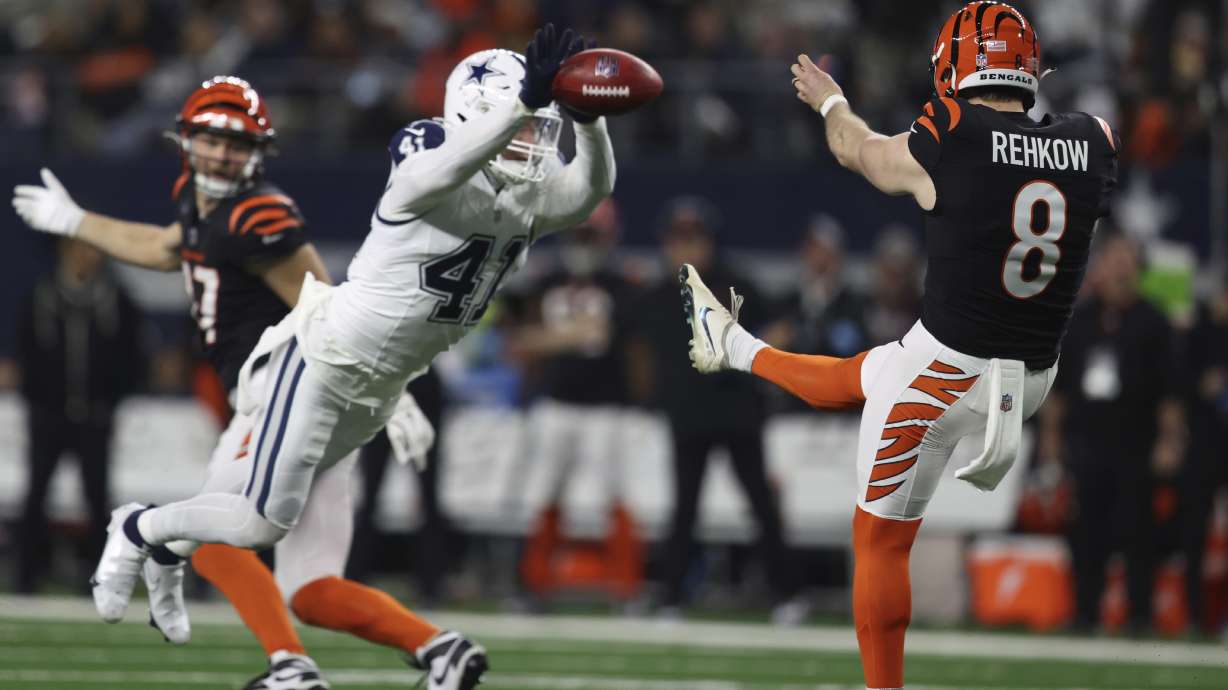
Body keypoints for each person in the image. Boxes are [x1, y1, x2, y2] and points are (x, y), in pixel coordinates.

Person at [81, 23, 613, 690]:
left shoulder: (527, 194)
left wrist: (588, 121)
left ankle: (379, 652)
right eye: (521, 124)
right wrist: (520, 105)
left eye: (537, 128)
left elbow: (590, 192)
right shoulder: (425, 153)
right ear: (474, 116)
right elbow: (446, 169)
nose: (530, 140)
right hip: (323, 362)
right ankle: (141, 526)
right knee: (256, 522)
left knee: (301, 571)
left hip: (381, 387)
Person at [677, 3, 1118, 688]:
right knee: (876, 371)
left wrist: (833, 104)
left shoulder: (955, 130)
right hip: (1033, 375)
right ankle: (733, 344)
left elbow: (858, 152)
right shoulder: (1092, 139)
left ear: (955, 67)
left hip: (950, 372)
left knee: (880, 541)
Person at [12, 76, 432, 690]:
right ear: (186, 140)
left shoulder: (259, 215)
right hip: (293, 395)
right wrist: (76, 220)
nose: (220, 155)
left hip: (282, 391)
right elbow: (163, 247)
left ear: (258, 153)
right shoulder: (200, 201)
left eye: (235, 145)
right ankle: (433, 648)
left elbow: (325, 303)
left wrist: (389, 389)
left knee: (219, 531)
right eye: (210, 140)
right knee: (301, 579)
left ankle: (149, 539)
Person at [628, 197, 804, 622]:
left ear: (709, 241)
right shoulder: (658, 293)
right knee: (685, 507)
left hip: (737, 412)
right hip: (688, 415)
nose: (686, 246)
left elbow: (784, 326)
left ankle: (786, 593)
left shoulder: (734, 284)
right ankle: (672, 596)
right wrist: (652, 396)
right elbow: (637, 348)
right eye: (679, 238)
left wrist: (757, 355)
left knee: (760, 504)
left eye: (694, 238)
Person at [1045, 233, 1183, 634]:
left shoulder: (1153, 320)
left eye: (1127, 259)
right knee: (1085, 531)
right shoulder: (1078, 317)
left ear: (1138, 268)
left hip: (1136, 440)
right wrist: (1052, 439)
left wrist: (1169, 440)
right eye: (1113, 258)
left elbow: (1170, 390)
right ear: (1100, 265)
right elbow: (1059, 387)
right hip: (1087, 440)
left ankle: (1140, 616)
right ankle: (1085, 613)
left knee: (1138, 530)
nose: (1119, 266)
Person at [15, 238, 145, 594]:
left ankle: (98, 577)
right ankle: (27, 576)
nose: (88, 257)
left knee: (97, 497)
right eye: (81, 249)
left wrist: (109, 401)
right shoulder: (42, 297)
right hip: (49, 417)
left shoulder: (115, 300)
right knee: (36, 493)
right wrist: (40, 401)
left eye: (93, 250)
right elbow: (26, 352)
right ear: (64, 252)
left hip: (95, 416)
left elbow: (131, 355)